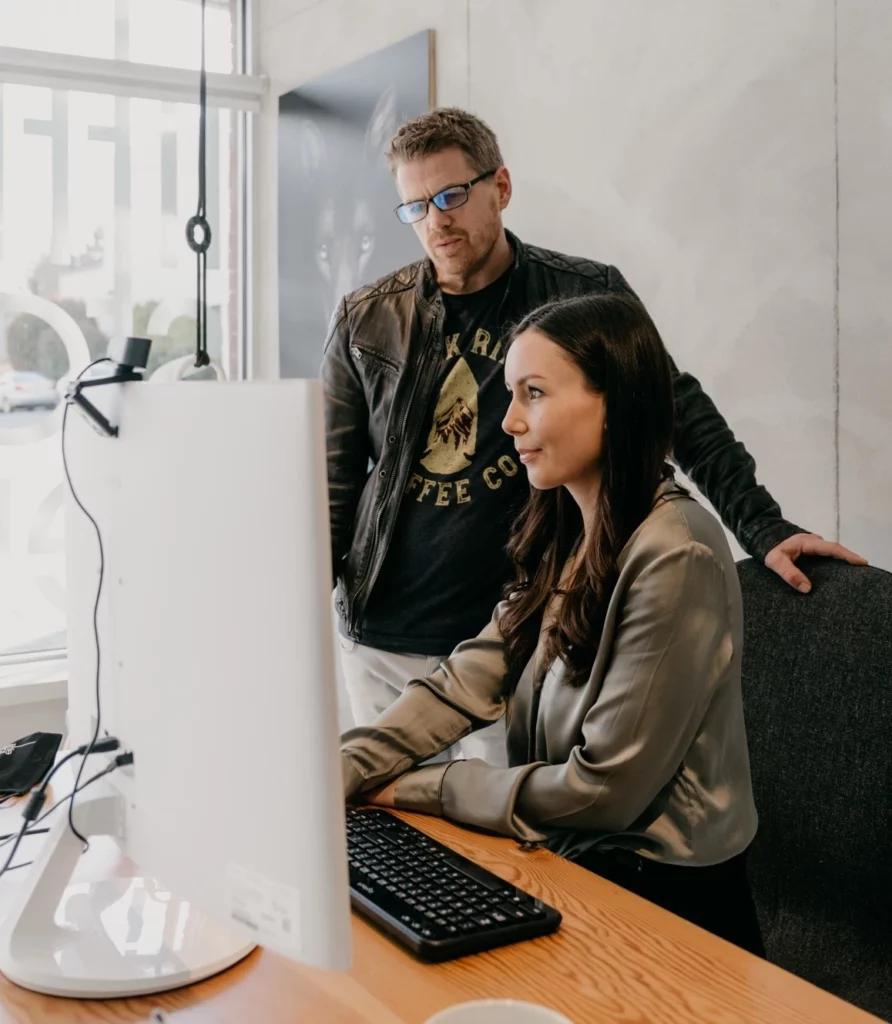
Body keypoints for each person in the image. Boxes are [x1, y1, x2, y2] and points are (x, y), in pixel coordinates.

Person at [321, 107, 865, 760]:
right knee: (393, 839)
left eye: (451, 195)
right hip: (381, 637)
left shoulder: (581, 297)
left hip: (513, 633)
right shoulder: (367, 318)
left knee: (505, 845)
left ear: (501, 186)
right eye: (415, 206)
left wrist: (764, 527)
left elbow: (674, 410)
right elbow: (332, 480)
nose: (436, 220)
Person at [341, 292, 765, 954]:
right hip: (571, 866)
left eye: (532, 393)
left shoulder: (676, 551)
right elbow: (467, 680)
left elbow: (604, 791)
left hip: (667, 909)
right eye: (510, 394)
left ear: (614, 402)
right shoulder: (567, 527)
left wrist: (421, 788)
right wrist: (342, 769)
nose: (507, 422)